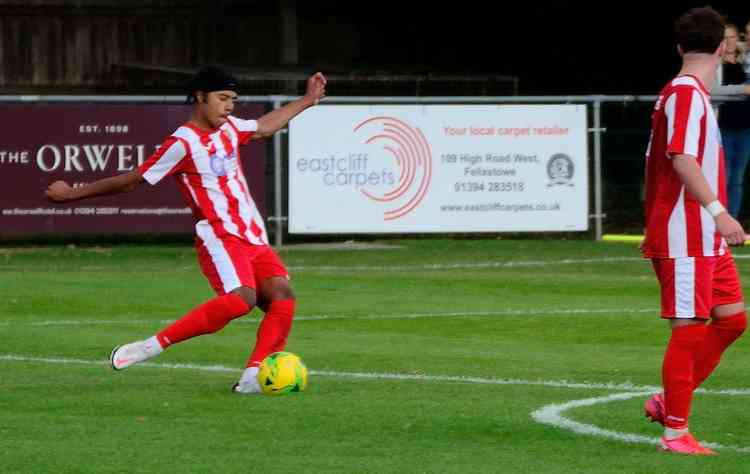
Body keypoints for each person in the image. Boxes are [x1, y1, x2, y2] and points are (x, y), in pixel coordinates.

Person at [45, 65, 327, 394]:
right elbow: (133, 180)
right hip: (219, 236)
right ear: (199, 97)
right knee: (241, 300)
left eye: (233, 99)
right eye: (222, 98)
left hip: (252, 236)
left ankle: (253, 375)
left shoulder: (231, 128)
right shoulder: (183, 143)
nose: (229, 106)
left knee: (283, 297)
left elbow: (264, 127)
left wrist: (308, 99)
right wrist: (72, 194)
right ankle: (151, 346)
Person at [641, 7, 747, 455]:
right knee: (689, 328)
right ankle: (675, 433)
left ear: (680, 46)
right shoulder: (685, 93)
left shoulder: (690, 94)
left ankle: (669, 401)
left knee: (733, 319)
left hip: (700, 232)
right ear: (722, 49)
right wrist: (721, 212)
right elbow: (681, 157)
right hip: (685, 231)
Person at [712, 23, 750, 218]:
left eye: (733, 37)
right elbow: (712, 93)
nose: (729, 41)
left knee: (737, 179)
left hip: (745, 130)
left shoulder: (745, 61)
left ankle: (732, 221)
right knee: (722, 178)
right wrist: (742, 90)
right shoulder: (715, 64)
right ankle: (719, 222)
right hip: (722, 130)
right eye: (724, 37)